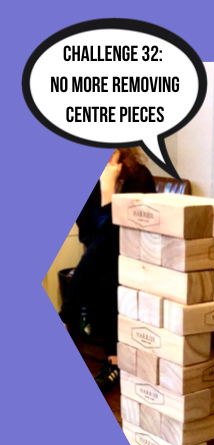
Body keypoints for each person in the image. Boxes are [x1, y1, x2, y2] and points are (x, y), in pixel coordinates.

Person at [60, 148, 155, 392]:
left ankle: (66, 319)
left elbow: (127, 236)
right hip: (103, 257)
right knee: (105, 271)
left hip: (139, 254)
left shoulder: (140, 177)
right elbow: (87, 234)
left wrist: (108, 192)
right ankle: (114, 360)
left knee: (106, 262)